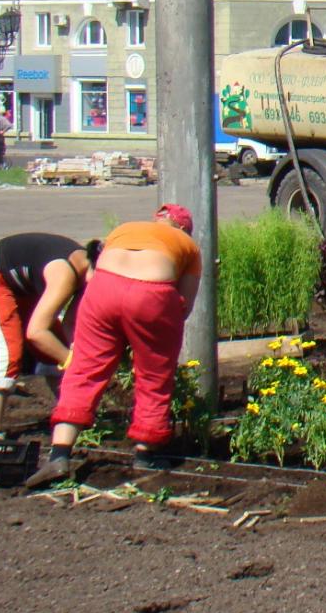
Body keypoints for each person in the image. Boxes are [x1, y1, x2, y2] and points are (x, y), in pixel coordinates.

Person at [24, 205, 200, 487]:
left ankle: (59, 454)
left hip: (102, 291)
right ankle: (146, 452)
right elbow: (185, 306)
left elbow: (93, 278)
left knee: (84, 368)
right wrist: (151, 335)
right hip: (152, 293)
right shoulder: (187, 245)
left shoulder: (124, 230)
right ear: (182, 228)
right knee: (154, 374)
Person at [0, 234, 95, 438]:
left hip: (23, 289)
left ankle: (70, 414)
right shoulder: (65, 274)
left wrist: (75, 352)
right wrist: (72, 362)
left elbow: (71, 325)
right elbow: (36, 333)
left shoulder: (86, 273)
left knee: (55, 345)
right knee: (6, 350)